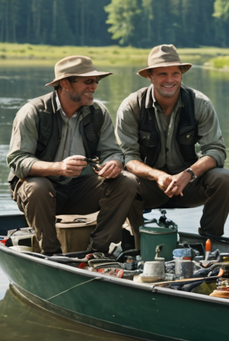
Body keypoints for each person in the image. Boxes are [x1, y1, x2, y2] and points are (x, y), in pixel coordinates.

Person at [7, 56, 138, 255]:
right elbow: (17, 161)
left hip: (79, 190)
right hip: (39, 193)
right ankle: (52, 255)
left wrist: (115, 162)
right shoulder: (32, 112)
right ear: (65, 84)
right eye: (88, 81)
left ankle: (98, 252)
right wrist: (58, 168)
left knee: (127, 181)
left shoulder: (98, 113)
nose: (94, 87)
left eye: (96, 81)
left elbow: (112, 151)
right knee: (38, 186)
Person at [116, 45, 229, 239]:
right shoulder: (132, 106)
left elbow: (216, 151)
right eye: (162, 74)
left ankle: (211, 240)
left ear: (181, 75)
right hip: (148, 187)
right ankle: (137, 241)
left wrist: (189, 174)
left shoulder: (200, 103)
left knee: (225, 178)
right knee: (124, 181)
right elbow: (128, 158)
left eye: (175, 73)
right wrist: (157, 176)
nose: (170, 80)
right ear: (150, 76)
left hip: (188, 186)